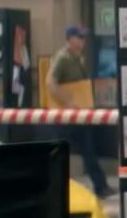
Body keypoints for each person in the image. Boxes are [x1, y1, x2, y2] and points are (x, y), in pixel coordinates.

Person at [47, 25, 111, 198]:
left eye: (83, 38)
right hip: (66, 116)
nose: (82, 41)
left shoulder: (78, 58)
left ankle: (101, 186)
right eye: (79, 38)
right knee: (60, 154)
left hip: (80, 115)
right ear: (70, 39)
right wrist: (68, 102)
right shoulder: (62, 58)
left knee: (88, 151)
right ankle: (51, 188)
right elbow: (51, 83)